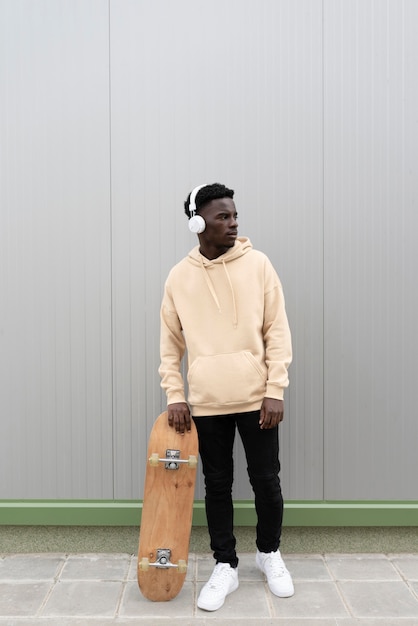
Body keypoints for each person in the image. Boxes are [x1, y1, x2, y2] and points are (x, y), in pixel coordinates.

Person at [158, 183, 294, 611]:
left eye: (235, 216)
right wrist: (175, 395)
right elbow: (170, 343)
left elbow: (278, 331)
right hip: (206, 402)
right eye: (223, 217)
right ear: (198, 223)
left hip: (257, 400)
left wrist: (275, 389)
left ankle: (269, 554)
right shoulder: (179, 276)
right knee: (217, 486)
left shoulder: (259, 265)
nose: (233, 223)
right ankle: (226, 565)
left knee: (266, 483)